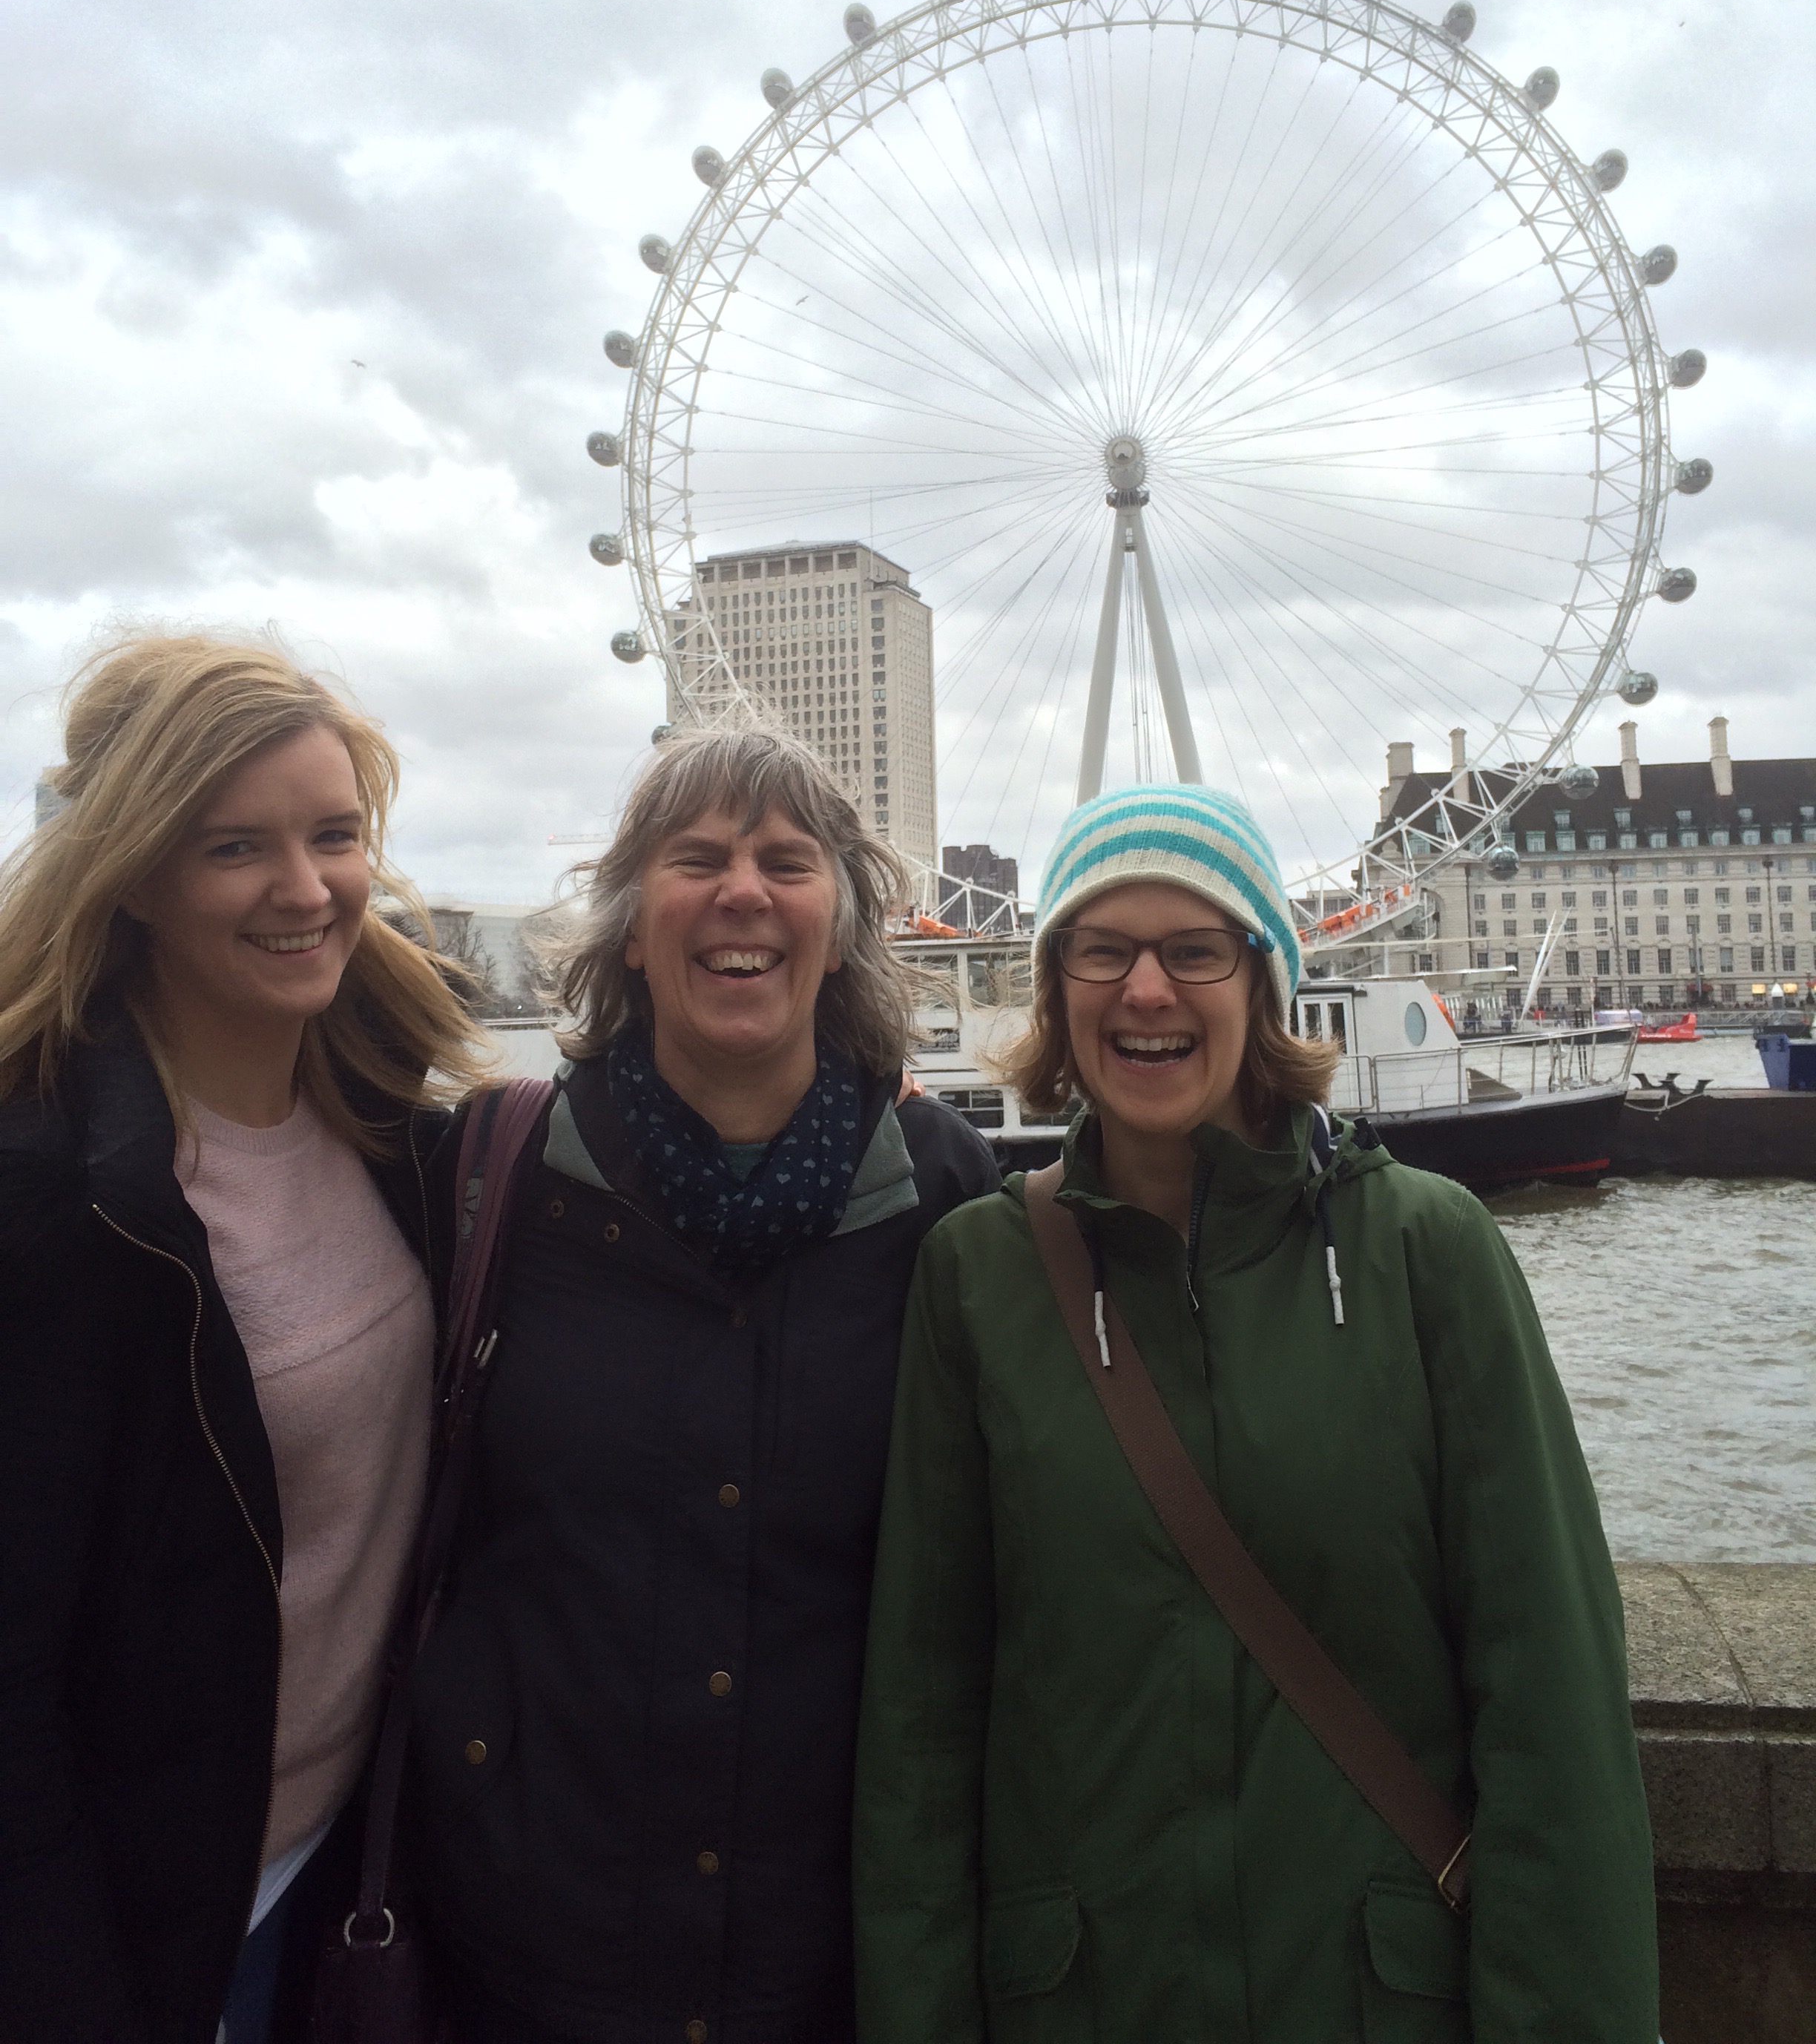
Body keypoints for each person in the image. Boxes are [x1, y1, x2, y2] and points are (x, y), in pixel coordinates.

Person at [854, 784, 1658, 2043]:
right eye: (1101, 950)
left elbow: (1550, 1694)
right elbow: (922, 1715)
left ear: (1264, 979)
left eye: (1196, 949)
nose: (1146, 990)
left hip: (1370, 2002)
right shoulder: (978, 1275)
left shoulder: (1427, 1252)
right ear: (1057, 987)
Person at [404, 723, 1001, 2044]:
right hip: (525, 1936)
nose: (744, 892)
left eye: (788, 862)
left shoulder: (946, 1194)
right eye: (698, 859)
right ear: (629, 929)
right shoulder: (490, 1181)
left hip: (832, 1945)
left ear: (841, 929)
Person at [0, 631, 487, 2044]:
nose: (307, 889)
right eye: (235, 849)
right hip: (157, 1915)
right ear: (132, 875)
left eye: (334, 836)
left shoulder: (392, 1129)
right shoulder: (59, 1202)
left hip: (350, 1865)